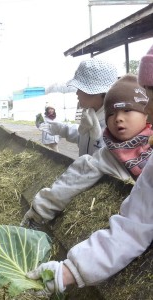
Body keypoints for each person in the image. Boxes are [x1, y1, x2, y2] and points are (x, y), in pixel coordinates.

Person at [24, 48, 153, 296]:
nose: (119, 119)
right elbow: (133, 224)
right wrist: (67, 272)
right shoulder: (105, 142)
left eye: (131, 109)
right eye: (113, 113)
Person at [21, 74, 152, 229]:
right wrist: (39, 210)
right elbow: (76, 175)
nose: (118, 118)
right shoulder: (107, 152)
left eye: (127, 110)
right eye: (111, 114)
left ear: (147, 113)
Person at [39, 58, 118, 156]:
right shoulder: (89, 115)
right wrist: (60, 129)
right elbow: (82, 135)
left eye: (80, 88)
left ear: (96, 92)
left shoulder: (116, 127)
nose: (77, 93)